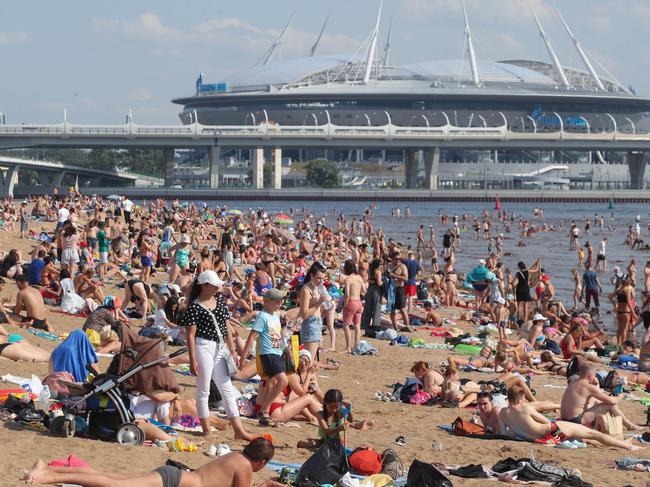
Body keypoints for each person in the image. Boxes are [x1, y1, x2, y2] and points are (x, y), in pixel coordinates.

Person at [23, 437, 284, 487]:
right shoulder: (246, 467)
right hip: (174, 481)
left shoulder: (235, 456)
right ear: (261, 461)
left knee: (111, 479)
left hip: (174, 477)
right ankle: (47, 476)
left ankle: (47, 467)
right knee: (112, 484)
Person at [180, 270, 253, 440]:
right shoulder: (194, 307)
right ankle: (206, 429)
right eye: (214, 285)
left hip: (219, 347)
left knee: (226, 388)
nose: (217, 288)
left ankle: (239, 430)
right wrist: (192, 359)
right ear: (204, 285)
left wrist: (233, 351)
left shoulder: (219, 301)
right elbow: (190, 335)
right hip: (203, 346)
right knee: (203, 388)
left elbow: (226, 326)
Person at [498, 386, 640, 450]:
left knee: (585, 438)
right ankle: (628, 446)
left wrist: (522, 432)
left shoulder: (503, 413)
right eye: (523, 398)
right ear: (519, 398)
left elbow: (504, 434)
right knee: (593, 433)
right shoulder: (525, 408)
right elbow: (547, 421)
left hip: (539, 440)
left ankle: (620, 443)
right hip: (553, 431)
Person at [240, 288, 289, 427]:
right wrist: (243, 358)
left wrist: (285, 349)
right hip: (268, 353)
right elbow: (251, 337)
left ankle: (264, 412)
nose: (278, 304)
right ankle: (264, 410)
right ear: (267, 301)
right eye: (276, 302)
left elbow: (278, 335)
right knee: (283, 381)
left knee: (272, 383)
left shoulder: (275, 315)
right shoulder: (262, 316)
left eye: (280, 302)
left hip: (277, 352)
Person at [560, 363, 642, 431]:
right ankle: (629, 426)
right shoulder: (588, 387)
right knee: (610, 404)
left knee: (597, 400)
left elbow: (594, 398)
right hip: (576, 421)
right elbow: (612, 401)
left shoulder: (573, 382)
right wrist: (621, 395)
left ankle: (628, 425)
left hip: (564, 419)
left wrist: (597, 385)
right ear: (591, 376)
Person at [298, 262, 327, 361]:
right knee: (309, 361)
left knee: (313, 361)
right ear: (312, 276)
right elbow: (304, 314)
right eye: (319, 278)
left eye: (323, 278)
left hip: (317, 323)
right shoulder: (306, 290)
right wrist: (319, 303)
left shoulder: (316, 288)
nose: (321, 281)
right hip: (310, 324)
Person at [341, 260, 365, 353]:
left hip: (351, 302)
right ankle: (356, 346)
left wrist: (345, 304)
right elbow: (363, 289)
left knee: (346, 325)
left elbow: (346, 294)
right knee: (357, 325)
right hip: (359, 302)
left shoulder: (348, 279)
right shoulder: (359, 277)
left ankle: (348, 347)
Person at [386, 250, 410, 331]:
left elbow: (406, 278)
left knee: (402, 309)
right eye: (396, 259)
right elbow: (384, 274)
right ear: (392, 258)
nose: (398, 260)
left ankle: (407, 326)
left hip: (400, 289)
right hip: (391, 289)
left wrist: (394, 275)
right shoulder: (388, 265)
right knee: (392, 310)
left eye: (400, 259)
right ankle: (395, 328)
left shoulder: (402, 266)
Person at [360, 259, 383, 335]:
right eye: (381, 264)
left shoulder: (370, 271)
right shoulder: (378, 272)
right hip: (376, 290)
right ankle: (375, 325)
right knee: (376, 308)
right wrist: (385, 282)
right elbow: (379, 283)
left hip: (370, 289)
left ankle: (364, 325)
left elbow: (368, 279)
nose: (381, 266)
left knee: (367, 308)